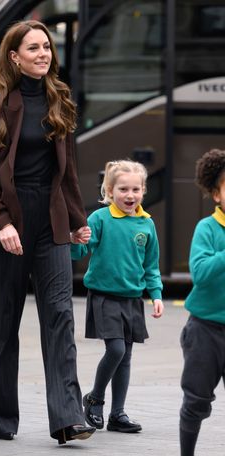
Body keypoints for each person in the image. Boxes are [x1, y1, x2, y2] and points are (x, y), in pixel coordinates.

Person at [0, 20, 95, 445]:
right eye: (34, 48)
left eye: (47, 47)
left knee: (59, 316)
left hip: (51, 218)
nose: (44, 54)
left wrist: (77, 220)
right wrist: (0, 223)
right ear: (14, 56)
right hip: (11, 217)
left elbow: (68, 168)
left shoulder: (60, 97)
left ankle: (68, 418)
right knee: (1, 322)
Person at [71, 159, 164, 433]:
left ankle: (118, 414)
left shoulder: (147, 224)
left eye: (136, 189)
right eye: (123, 189)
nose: (130, 195)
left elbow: (151, 265)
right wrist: (76, 240)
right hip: (104, 297)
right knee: (116, 349)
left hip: (133, 300)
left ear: (143, 191)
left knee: (126, 357)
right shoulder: (99, 219)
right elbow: (79, 253)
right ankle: (95, 398)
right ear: (109, 191)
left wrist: (156, 295)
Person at [179, 149, 225, 456]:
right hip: (205, 330)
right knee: (196, 401)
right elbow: (202, 273)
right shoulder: (207, 229)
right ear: (215, 193)